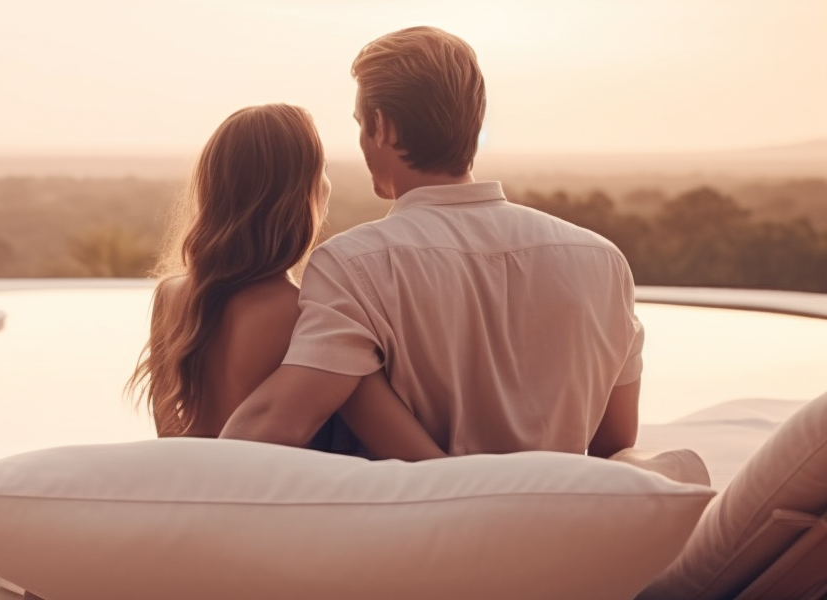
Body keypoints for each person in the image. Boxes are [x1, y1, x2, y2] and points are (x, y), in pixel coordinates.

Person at [220, 27, 644, 459]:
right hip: (561, 522)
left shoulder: (353, 264)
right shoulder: (603, 261)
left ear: (381, 126)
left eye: (360, 125)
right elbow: (615, 440)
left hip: (418, 525)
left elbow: (277, 423)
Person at [128, 103, 445, 461]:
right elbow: (414, 455)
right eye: (321, 170)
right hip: (275, 511)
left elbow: (171, 442)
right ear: (302, 194)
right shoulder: (308, 315)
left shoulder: (170, 298)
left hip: (191, 503)